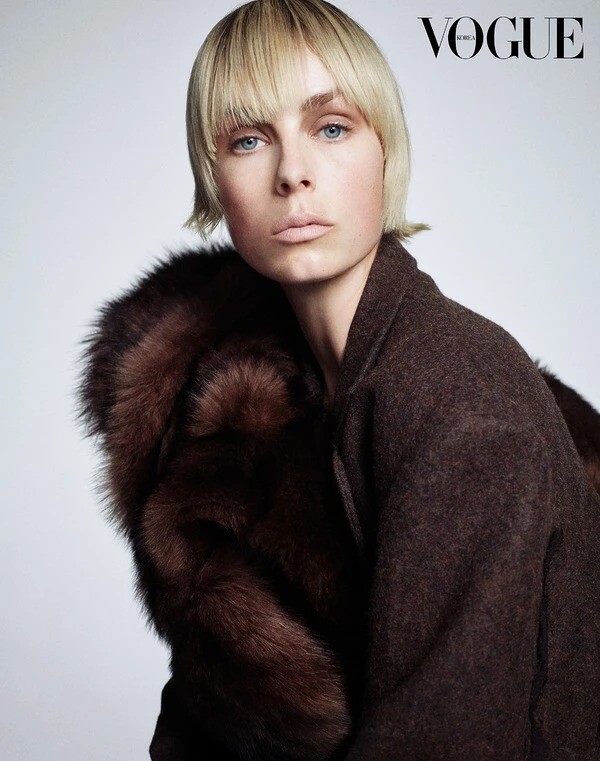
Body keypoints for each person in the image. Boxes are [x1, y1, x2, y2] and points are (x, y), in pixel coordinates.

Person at [76, 0, 600, 759]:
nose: (292, 173)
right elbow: (207, 707)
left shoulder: (463, 402)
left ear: (386, 148)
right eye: (249, 139)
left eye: (330, 127)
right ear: (214, 178)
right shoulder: (246, 399)